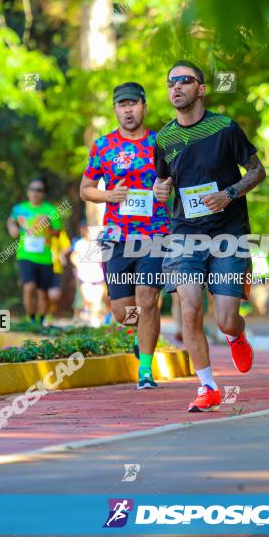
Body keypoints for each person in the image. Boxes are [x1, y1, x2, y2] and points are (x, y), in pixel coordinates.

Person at [153, 60, 266, 412]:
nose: (176, 87)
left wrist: (229, 194)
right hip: (185, 232)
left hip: (229, 231)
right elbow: (163, 180)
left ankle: (236, 334)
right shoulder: (164, 138)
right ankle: (208, 387)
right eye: (171, 82)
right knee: (190, 309)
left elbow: (258, 170)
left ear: (200, 89)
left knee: (225, 317)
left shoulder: (225, 128)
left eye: (184, 81)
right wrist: (160, 188)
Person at [80, 82, 169, 389]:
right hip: (116, 237)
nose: (128, 109)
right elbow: (85, 189)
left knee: (148, 300)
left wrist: (164, 188)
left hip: (155, 232)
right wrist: (108, 196)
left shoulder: (163, 142)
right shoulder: (103, 146)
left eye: (133, 103)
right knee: (123, 312)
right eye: (122, 105)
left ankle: (145, 370)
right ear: (115, 109)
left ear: (144, 106)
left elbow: (181, 181)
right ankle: (139, 333)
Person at [7, 178, 62, 325]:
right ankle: (31, 319)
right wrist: (13, 228)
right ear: (28, 191)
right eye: (32, 189)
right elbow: (11, 221)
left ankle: (41, 322)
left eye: (39, 190)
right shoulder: (19, 208)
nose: (35, 193)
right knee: (29, 286)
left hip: (44, 257)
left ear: (43, 193)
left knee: (42, 293)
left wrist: (47, 225)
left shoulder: (51, 211)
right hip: (25, 255)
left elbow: (58, 233)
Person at [68, 223, 107, 327]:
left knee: (97, 299)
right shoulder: (80, 243)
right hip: (84, 276)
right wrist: (78, 267)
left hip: (97, 276)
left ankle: (94, 320)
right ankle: (76, 320)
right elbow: (73, 256)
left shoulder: (100, 245)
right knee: (82, 299)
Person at [46, 228, 71, 325]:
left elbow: (66, 246)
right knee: (41, 291)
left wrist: (61, 253)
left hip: (55, 268)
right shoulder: (35, 228)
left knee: (54, 294)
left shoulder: (59, 231)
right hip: (40, 265)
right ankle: (36, 316)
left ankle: (49, 315)